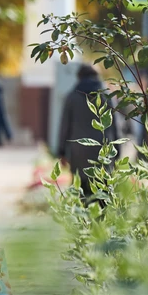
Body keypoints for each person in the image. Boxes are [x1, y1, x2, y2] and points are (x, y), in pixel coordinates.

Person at [57, 63, 120, 198]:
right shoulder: (106, 97)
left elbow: (64, 126)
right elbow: (115, 126)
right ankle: (101, 217)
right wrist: (118, 151)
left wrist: (61, 151)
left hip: (79, 151)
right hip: (102, 151)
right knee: (102, 190)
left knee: (81, 191)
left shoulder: (72, 97)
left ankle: (84, 217)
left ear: (79, 77)